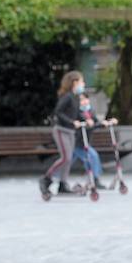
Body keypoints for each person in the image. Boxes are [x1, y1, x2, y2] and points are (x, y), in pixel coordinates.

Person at [40, 70, 84, 198]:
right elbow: (58, 112)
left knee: (69, 159)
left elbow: (77, 113)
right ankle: (46, 178)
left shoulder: (75, 97)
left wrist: (86, 120)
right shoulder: (67, 96)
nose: (83, 84)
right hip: (61, 130)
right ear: (75, 82)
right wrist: (72, 122)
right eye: (81, 81)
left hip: (70, 131)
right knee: (65, 157)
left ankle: (62, 184)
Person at [72, 91, 116, 190]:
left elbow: (95, 123)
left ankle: (94, 179)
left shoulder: (90, 111)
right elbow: (79, 124)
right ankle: (54, 179)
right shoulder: (76, 113)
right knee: (92, 157)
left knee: (90, 158)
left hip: (85, 143)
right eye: (81, 100)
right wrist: (86, 123)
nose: (84, 102)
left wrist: (106, 123)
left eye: (85, 99)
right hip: (76, 143)